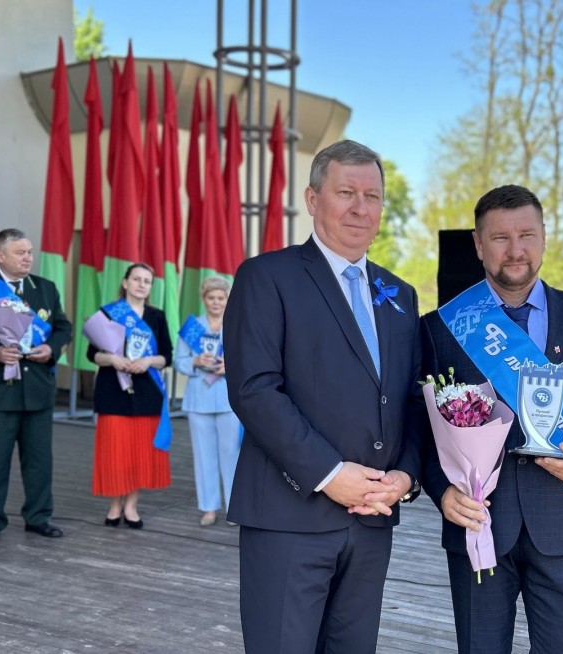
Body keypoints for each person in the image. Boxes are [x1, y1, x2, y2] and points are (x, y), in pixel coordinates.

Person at [420, 185, 563, 654]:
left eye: (526, 235)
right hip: (478, 525)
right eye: (500, 238)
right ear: (478, 245)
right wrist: (441, 491)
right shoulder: (441, 327)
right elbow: (417, 427)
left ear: (544, 238)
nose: (516, 250)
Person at [223, 139, 423, 654]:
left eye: (372, 196)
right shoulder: (266, 277)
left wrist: (405, 477)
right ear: (313, 199)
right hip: (289, 516)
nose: (361, 207)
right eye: (346, 192)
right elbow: (254, 390)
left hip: (373, 519)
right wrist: (331, 475)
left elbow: (411, 400)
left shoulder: (401, 295)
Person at [0, 228, 72, 543]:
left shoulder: (45, 288)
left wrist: (51, 348)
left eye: (29, 252)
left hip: (38, 388)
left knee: (39, 461)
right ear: (0, 256)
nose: (28, 258)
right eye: (20, 252)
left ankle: (39, 517)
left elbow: (63, 327)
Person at [87, 263, 172, 529]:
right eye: (137, 279)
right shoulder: (108, 313)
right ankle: (114, 506)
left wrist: (148, 361)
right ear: (125, 283)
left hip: (147, 393)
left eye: (147, 281)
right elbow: (92, 354)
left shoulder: (157, 317)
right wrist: (112, 359)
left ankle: (131, 506)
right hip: (113, 392)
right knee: (115, 452)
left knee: (139, 454)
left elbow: (166, 356)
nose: (141, 284)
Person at [174, 276, 241, 527]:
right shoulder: (193, 327)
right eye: (211, 297)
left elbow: (249, 358)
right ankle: (209, 507)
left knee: (231, 453)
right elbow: (179, 360)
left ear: (227, 299)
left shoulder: (237, 324)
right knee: (203, 455)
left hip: (228, 398)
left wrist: (230, 365)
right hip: (198, 398)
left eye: (220, 298)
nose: (216, 302)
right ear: (204, 299)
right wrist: (194, 361)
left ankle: (234, 507)